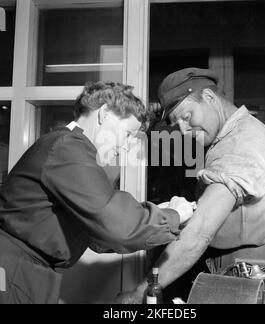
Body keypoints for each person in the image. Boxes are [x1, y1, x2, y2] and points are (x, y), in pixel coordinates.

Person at [116, 68, 265, 304]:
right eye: (176, 123)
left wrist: (139, 292)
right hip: (248, 269)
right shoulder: (231, 135)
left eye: (186, 116)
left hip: (259, 273)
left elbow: (200, 232)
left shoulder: (239, 145)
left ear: (210, 98)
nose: (183, 129)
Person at [0, 82, 194, 304]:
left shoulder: (70, 147)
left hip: (27, 269)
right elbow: (115, 223)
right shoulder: (68, 146)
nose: (127, 145)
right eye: (128, 133)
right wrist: (173, 215)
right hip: (15, 268)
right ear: (104, 114)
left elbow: (99, 233)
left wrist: (156, 215)